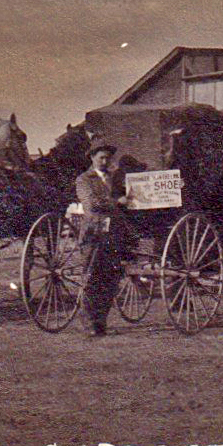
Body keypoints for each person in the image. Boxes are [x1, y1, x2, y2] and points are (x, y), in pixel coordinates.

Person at [75, 142, 130, 337]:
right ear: (92, 158)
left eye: (108, 158)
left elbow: (129, 196)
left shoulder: (115, 179)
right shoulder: (84, 180)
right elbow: (91, 203)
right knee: (91, 279)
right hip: (94, 234)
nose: (105, 161)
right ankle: (88, 322)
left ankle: (101, 321)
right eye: (101, 158)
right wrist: (117, 202)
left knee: (111, 279)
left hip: (113, 234)